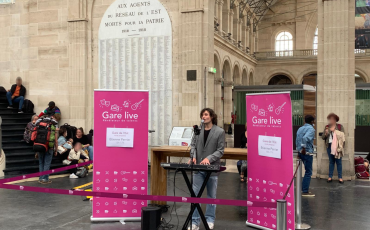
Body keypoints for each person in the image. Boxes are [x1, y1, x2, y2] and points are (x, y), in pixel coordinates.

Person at [187, 108, 225, 230]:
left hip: (211, 169)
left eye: (206, 114)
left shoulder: (219, 131)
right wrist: (192, 156)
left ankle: (209, 220)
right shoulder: (198, 131)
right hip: (198, 169)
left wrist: (209, 158)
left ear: (212, 117)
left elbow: (220, 150)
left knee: (211, 196)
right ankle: (195, 222)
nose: (204, 117)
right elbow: (193, 146)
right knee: (195, 195)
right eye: (202, 115)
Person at [321, 113, 345, 184]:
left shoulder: (340, 126)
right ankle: (330, 177)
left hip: (337, 146)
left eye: (332, 119)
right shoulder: (327, 127)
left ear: (335, 120)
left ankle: (340, 177)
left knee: (339, 162)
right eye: (330, 119)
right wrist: (325, 133)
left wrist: (334, 131)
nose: (331, 120)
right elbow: (323, 137)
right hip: (329, 145)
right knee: (331, 162)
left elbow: (342, 135)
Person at [35, 115, 59, 184]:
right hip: (49, 147)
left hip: (40, 146)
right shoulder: (53, 126)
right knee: (47, 163)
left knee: (41, 163)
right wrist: (56, 150)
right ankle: (45, 179)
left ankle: (41, 178)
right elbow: (56, 140)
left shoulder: (39, 125)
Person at [296, 115, 316, 197]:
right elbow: (305, 138)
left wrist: (298, 151)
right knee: (308, 172)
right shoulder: (311, 129)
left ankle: (303, 188)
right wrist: (304, 148)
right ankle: (305, 191)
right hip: (307, 152)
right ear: (312, 121)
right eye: (313, 121)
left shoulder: (300, 128)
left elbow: (297, 140)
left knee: (304, 171)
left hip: (301, 152)